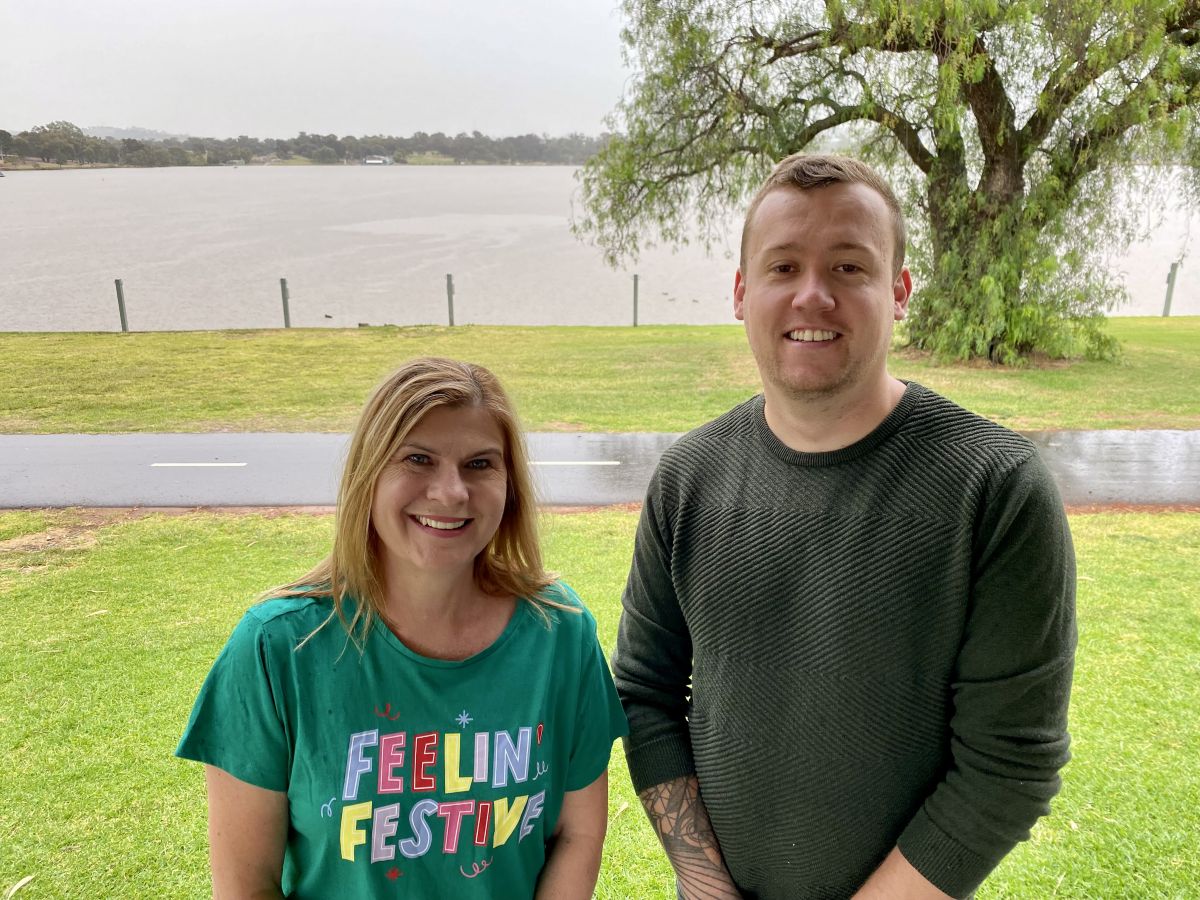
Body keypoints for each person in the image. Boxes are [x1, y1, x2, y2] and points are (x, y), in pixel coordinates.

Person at [612, 154, 1077, 900]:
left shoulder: (994, 489)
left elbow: (1008, 766)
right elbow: (644, 694)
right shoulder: (688, 478)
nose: (812, 296)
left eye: (850, 267)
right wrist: (702, 883)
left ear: (899, 292)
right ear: (741, 293)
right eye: (783, 266)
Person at [177, 357, 627, 899]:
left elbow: (577, 832)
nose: (451, 492)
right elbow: (247, 884)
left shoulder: (559, 631)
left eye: (480, 464)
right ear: (368, 475)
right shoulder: (278, 647)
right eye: (418, 459)